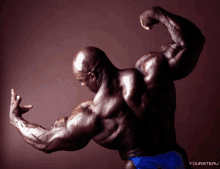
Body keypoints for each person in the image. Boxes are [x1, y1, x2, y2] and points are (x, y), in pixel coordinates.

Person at [10, 6, 205, 169]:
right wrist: (158, 13)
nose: (83, 86)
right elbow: (192, 42)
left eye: (81, 80)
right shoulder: (150, 70)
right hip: (174, 160)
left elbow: (45, 141)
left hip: (138, 165)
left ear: (92, 75)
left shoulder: (91, 115)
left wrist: (16, 119)